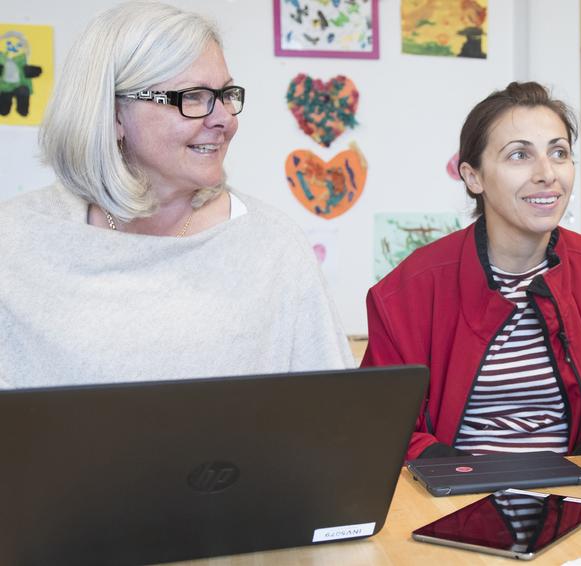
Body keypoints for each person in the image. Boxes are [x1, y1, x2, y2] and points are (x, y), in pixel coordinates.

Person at [0, 1, 354, 387]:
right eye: (194, 97)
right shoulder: (16, 243)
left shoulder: (273, 245)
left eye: (226, 94)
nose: (224, 120)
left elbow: (332, 420)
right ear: (114, 114)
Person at [362, 82, 581, 461]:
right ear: (473, 177)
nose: (547, 173)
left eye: (558, 152)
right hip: (449, 500)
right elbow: (386, 425)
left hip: (575, 497)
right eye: (519, 155)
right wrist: (460, 480)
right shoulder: (405, 294)